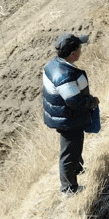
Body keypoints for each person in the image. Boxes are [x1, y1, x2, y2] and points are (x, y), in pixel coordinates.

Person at [42, 33, 98, 195]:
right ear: (73, 54)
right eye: (79, 48)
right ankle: (69, 189)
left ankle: (77, 168)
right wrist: (93, 102)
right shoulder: (65, 76)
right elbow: (74, 102)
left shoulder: (53, 64)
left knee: (74, 146)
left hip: (64, 116)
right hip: (68, 119)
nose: (81, 50)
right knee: (69, 152)